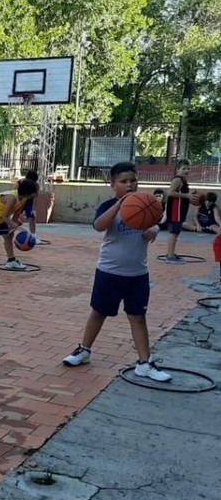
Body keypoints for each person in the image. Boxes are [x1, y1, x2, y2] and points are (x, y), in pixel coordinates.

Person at [62, 162, 171, 381]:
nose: (129, 185)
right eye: (123, 181)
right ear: (113, 185)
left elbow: (160, 220)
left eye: (133, 181)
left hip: (137, 273)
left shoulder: (146, 204)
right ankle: (84, 350)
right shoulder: (108, 206)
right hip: (109, 271)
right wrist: (119, 205)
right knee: (98, 312)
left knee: (138, 317)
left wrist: (155, 227)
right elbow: (99, 226)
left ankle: (144, 363)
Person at [163, 159, 192, 263]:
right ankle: (170, 256)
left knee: (176, 232)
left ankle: (171, 253)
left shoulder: (183, 181)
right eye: (184, 168)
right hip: (176, 211)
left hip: (179, 211)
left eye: (188, 168)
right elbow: (170, 193)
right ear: (178, 169)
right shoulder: (178, 180)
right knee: (173, 232)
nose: (186, 170)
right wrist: (187, 195)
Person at [20, 170, 40, 235]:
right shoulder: (20, 182)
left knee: (32, 216)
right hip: (20, 200)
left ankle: (33, 235)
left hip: (29, 202)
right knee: (16, 217)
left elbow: (35, 198)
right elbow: (15, 193)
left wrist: (33, 209)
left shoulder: (36, 186)